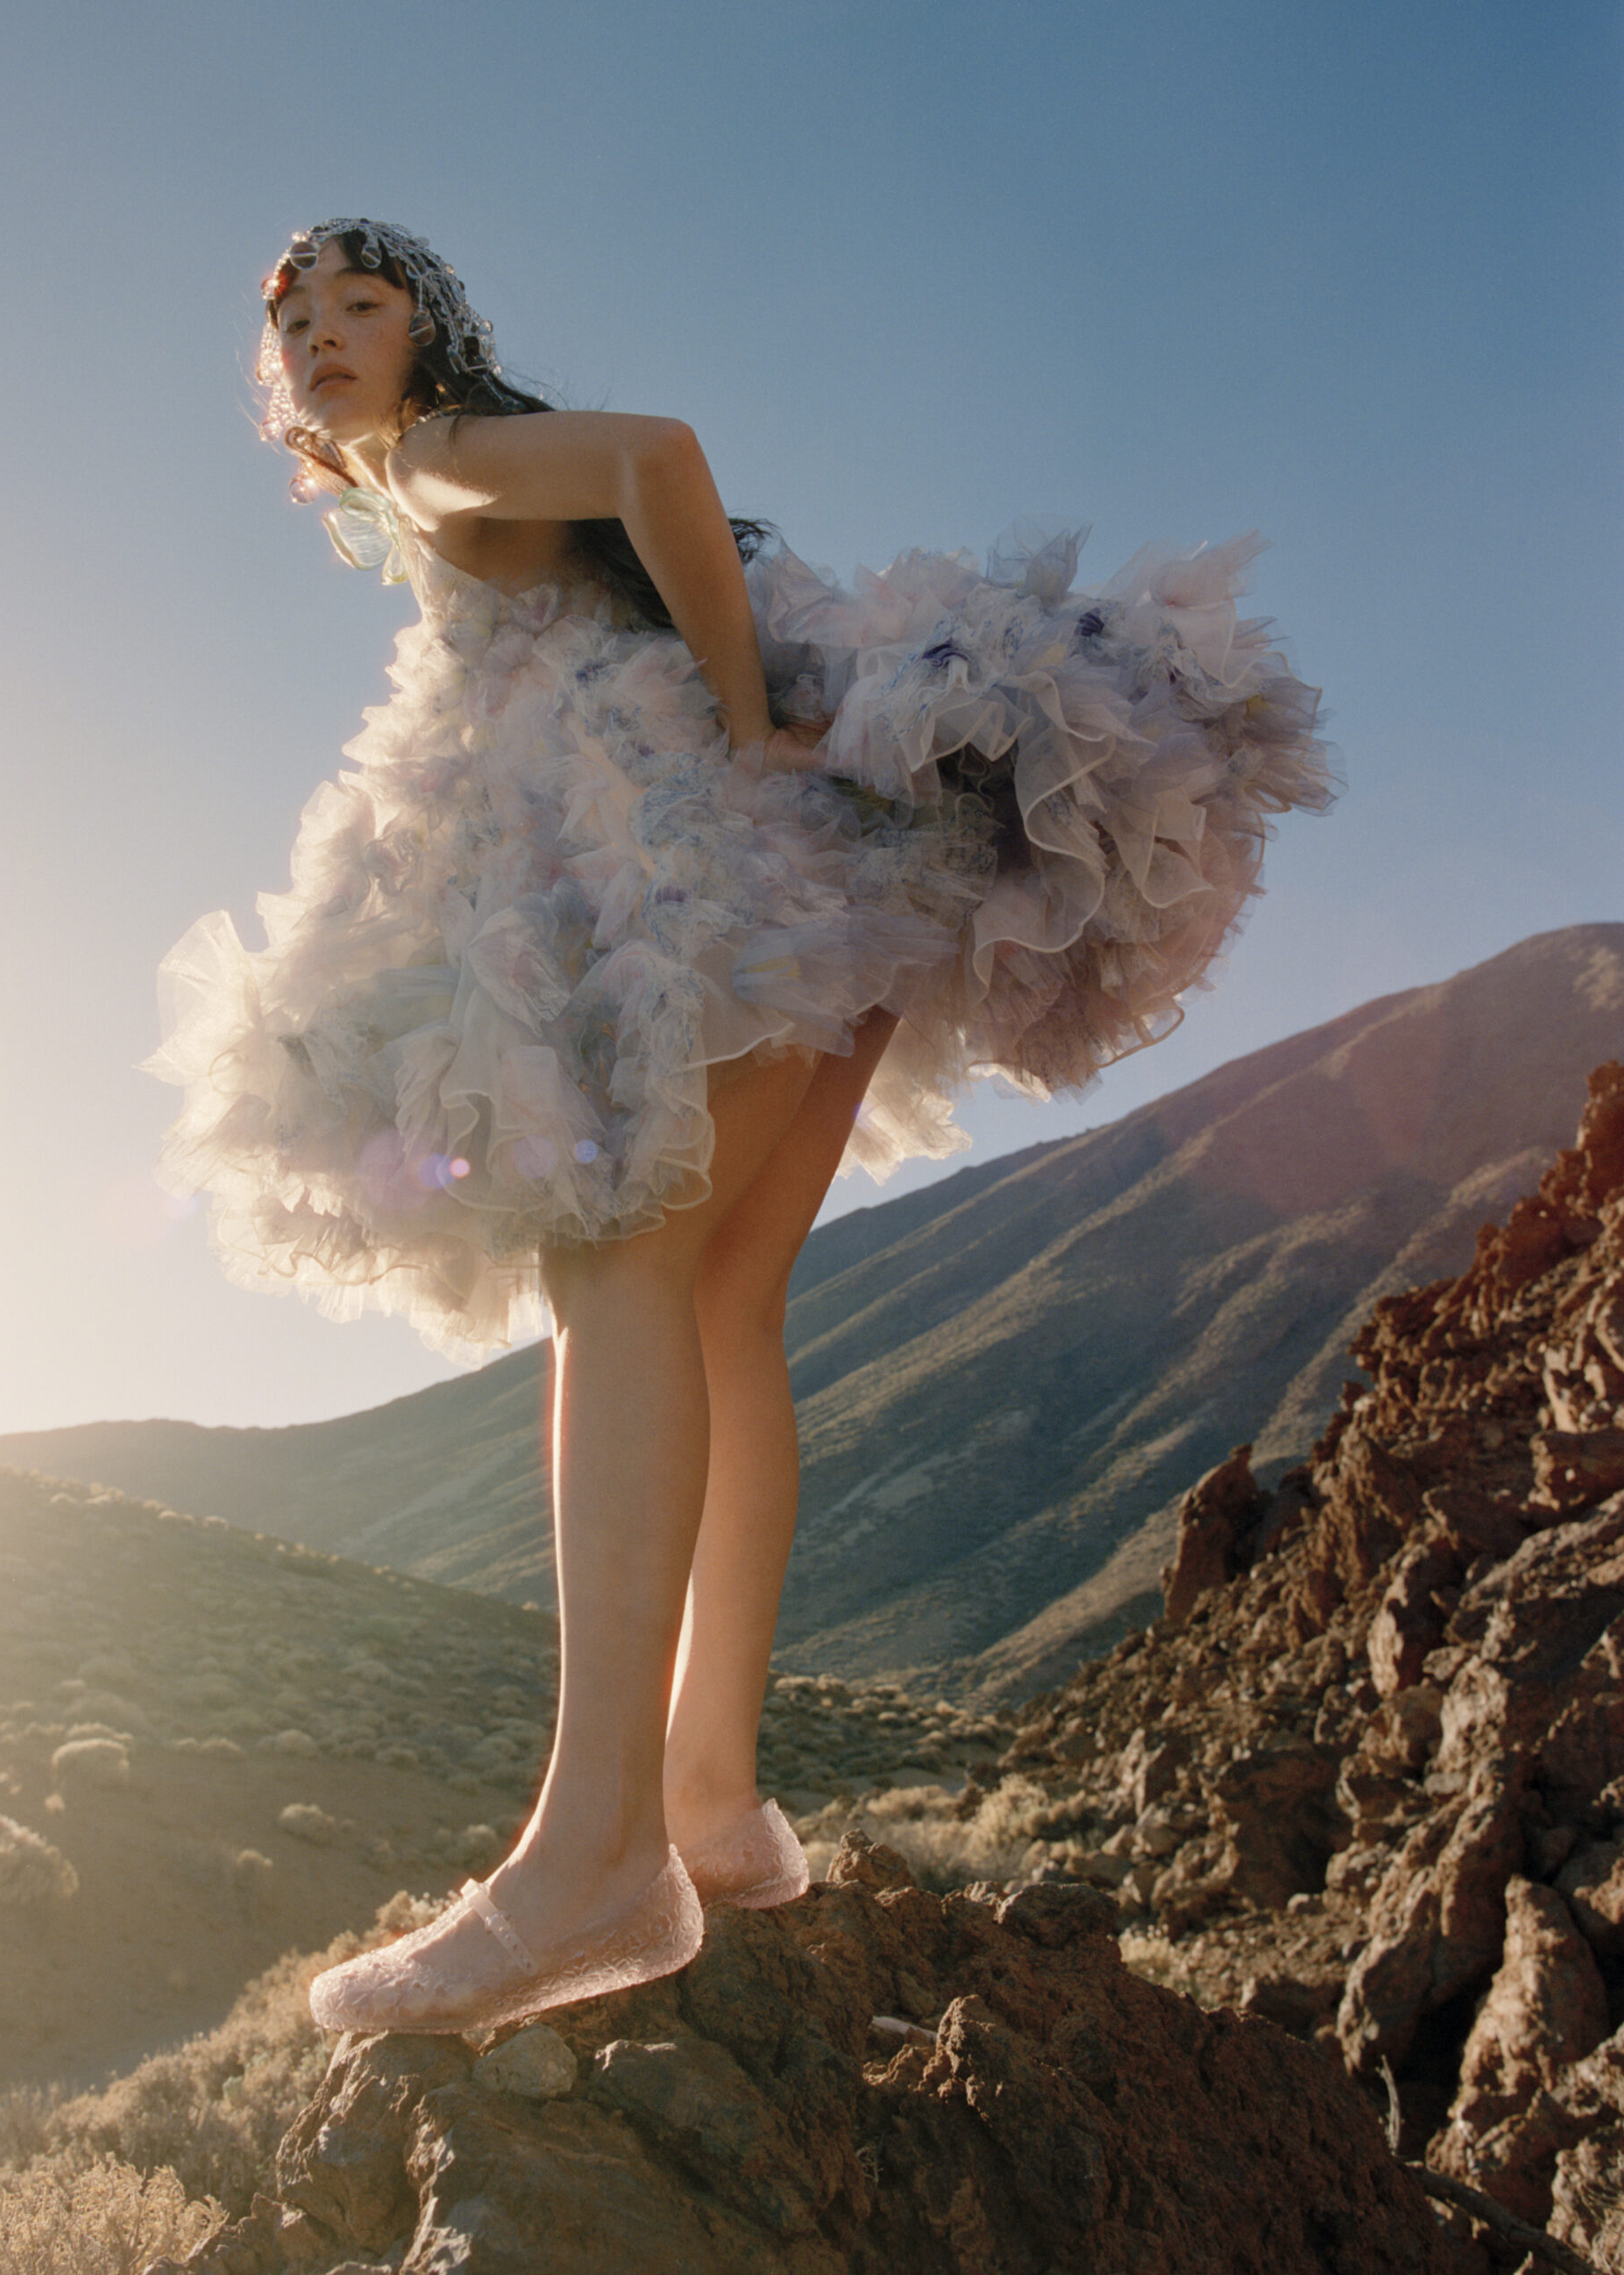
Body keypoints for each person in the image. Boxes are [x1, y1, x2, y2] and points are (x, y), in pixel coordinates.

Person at [147, 220, 1333, 2035]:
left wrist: (741, 718)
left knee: (613, 1273)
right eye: (293, 316)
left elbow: (662, 455)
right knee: (721, 1307)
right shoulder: (427, 484)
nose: (318, 334)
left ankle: (592, 1857)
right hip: (832, 875)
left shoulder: (445, 449)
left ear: (425, 331)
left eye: (357, 306)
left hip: (721, 870)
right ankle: (709, 1802)